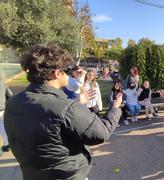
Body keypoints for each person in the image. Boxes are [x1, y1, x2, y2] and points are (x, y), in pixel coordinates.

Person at [4, 44, 122, 180]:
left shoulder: (13, 103)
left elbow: (50, 125)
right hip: (66, 176)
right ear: (56, 73)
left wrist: (77, 105)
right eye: (66, 70)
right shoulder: (65, 107)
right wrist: (115, 107)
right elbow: (101, 132)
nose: (70, 74)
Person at [0, 78, 12, 154]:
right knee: (3, 127)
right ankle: (7, 145)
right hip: (2, 109)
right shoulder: (2, 83)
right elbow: (10, 95)